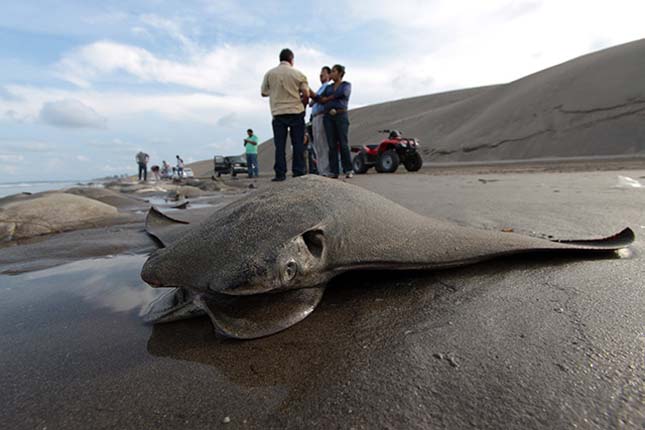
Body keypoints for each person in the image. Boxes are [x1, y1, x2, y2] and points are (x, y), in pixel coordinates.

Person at [261, 48, 310, 181]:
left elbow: (263, 92)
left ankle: (280, 174)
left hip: (278, 113)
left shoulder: (270, 74)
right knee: (298, 143)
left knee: (280, 145)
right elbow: (306, 94)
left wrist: (277, 91)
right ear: (291, 59)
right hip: (296, 111)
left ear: (280, 59)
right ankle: (298, 171)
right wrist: (303, 105)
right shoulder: (298, 74)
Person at [318, 64, 353, 178]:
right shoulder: (328, 87)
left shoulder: (346, 85)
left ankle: (348, 169)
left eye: (333, 71)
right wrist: (326, 99)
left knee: (343, 143)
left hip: (341, 114)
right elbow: (320, 98)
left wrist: (328, 98)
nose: (331, 74)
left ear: (339, 73)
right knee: (331, 144)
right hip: (328, 117)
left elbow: (342, 93)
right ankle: (334, 171)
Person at [309, 66, 332, 176]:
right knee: (317, 144)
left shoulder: (327, 87)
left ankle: (326, 170)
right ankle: (321, 169)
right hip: (315, 117)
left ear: (329, 75)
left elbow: (316, 99)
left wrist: (313, 97)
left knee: (323, 143)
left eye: (323, 72)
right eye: (320, 73)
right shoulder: (320, 88)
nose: (321, 75)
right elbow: (312, 102)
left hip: (322, 115)